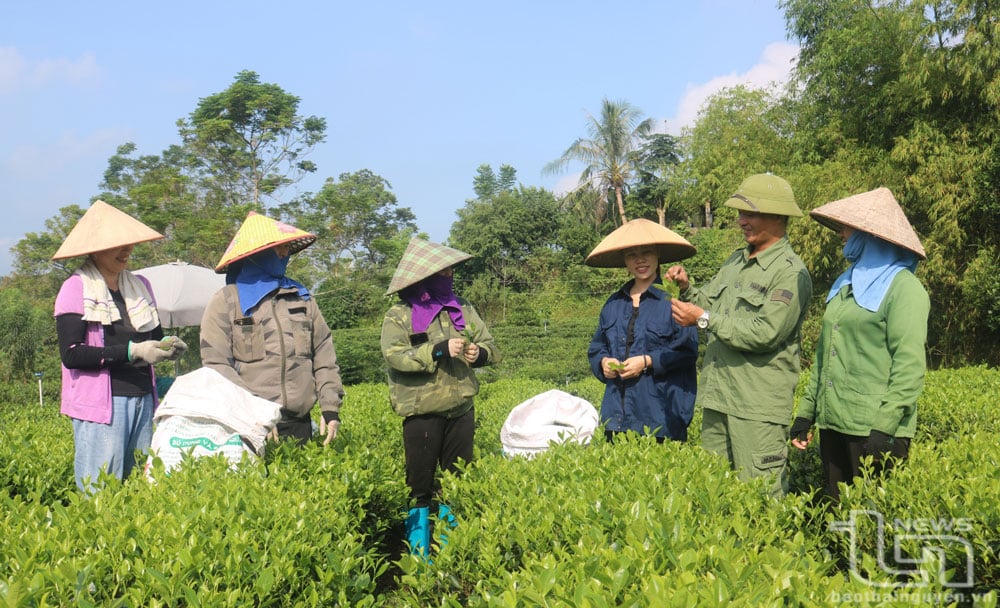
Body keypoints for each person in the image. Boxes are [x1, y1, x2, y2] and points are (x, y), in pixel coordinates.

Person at [667, 174, 813, 497]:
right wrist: (688, 289)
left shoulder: (791, 273)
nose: (740, 221)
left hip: (757, 409)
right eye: (740, 214)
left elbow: (765, 333)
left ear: (776, 216)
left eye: (749, 214)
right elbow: (712, 307)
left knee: (762, 503)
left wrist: (703, 318)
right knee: (714, 498)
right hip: (720, 400)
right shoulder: (736, 260)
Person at [790, 187, 929, 501]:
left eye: (847, 227)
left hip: (874, 430)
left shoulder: (905, 289)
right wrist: (806, 413)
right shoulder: (845, 283)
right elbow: (825, 356)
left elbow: (909, 368)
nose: (841, 233)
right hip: (835, 422)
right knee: (838, 519)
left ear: (870, 234)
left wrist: (884, 428)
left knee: (873, 525)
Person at [53, 200, 187, 492]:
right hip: (103, 404)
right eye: (117, 245)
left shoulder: (141, 286)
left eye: (129, 244)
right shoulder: (76, 288)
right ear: (95, 249)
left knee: (138, 486)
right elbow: (72, 354)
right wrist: (131, 351)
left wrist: (167, 346)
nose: (126, 251)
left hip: (143, 397)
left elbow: (154, 337)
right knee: (100, 491)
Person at [380, 237, 500, 556]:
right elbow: (395, 355)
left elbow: (491, 345)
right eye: (442, 272)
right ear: (423, 277)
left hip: (461, 408)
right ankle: (419, 555)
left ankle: (451, 550)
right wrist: (436, 349)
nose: (449, 276)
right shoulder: (399, 315)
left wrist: (479, 352)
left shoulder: (462, 308)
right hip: (422, 411)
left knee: (457, 481)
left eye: (450, 271)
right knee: (419, 485)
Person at [200, 211, 344, 446]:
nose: (284, 253)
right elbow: (216, 365)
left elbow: (324, 355)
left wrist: (330, 409)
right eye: (277, 248)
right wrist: (254, 413)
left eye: (286, 248)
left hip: (300, 423)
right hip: (249, 425)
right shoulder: (226, 301)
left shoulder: (301, 297)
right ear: (256, 253)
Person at [585, 218, 699, 442]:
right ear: (624, 262)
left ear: (658, 255)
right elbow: (597, 347)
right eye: (631, 254)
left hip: (661, 417)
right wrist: (603, 363)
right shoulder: (613, 304)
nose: (640, 260)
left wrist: (646, 361)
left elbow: (688, 351)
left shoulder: (674, 300)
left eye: (647, 251)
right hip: (616, 419)